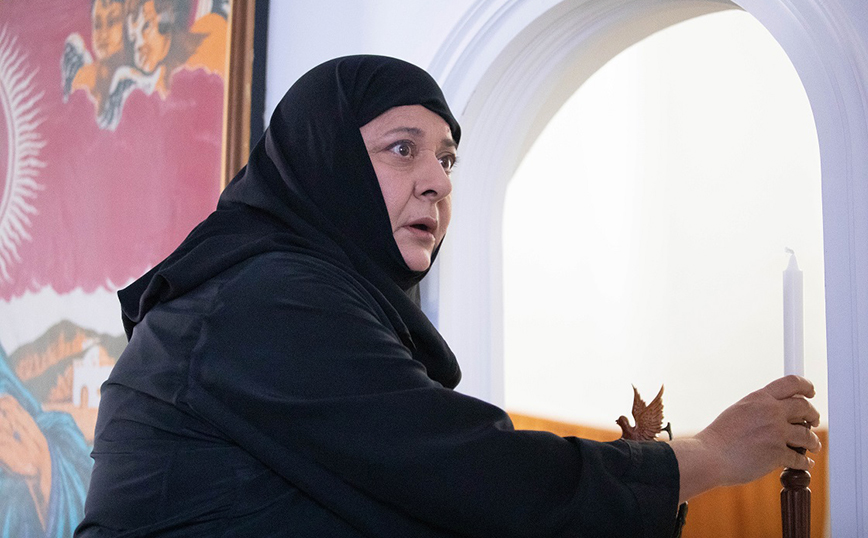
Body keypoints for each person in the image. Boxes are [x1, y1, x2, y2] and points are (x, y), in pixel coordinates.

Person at [74, 55, 821, 537]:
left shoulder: (296, 295)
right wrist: (709, 455)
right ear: (324, 161)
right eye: (402, 149)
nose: (437, 180)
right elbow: (471, 475)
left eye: (448, 159)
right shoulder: (262, 298)